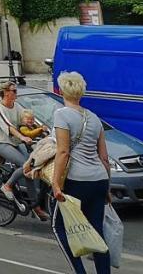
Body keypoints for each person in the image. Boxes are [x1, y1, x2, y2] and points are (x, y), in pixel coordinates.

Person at [51, 71, 112, 274]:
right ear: (81, 92)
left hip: (76, 181)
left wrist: (56, 183)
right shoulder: (94, 118)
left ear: (60, 91)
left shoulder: (61, 114)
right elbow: (104, 157)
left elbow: (63, 151)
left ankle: (80, 272)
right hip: (99, 179)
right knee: (97, 232)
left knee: (60, 228)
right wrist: (108, 188)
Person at [0, 81, 44, 218]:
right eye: (14, 91)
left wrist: (41, 129)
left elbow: (27, 119)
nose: (16, 93)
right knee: (26, 164)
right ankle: (7, 186)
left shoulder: (16, 106)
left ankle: (35, 206)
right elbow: (8, 126)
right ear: (6, 92)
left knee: (29, 170)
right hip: (1, 142)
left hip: (14, 142)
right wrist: (23, 137)